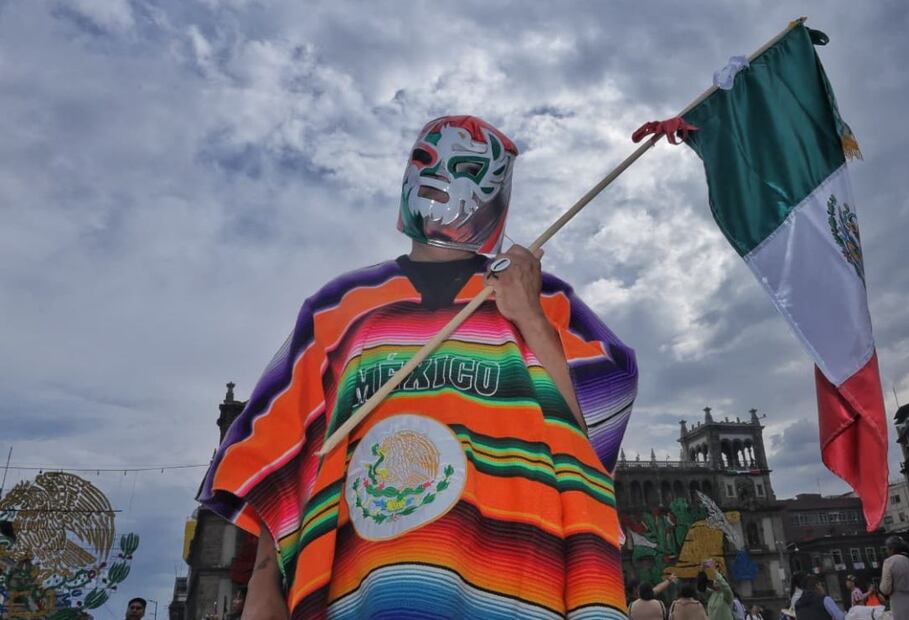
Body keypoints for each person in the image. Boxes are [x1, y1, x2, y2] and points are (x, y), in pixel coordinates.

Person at [197, 115, 638, 619]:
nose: (439, 176)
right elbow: (286, 445)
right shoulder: (340, 306)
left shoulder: (544, 297)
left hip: (514, 574)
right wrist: (263, 582)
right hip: (364, 581)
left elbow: (592, 433)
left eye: (468, 167)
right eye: (425, 159)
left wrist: (532, 320)